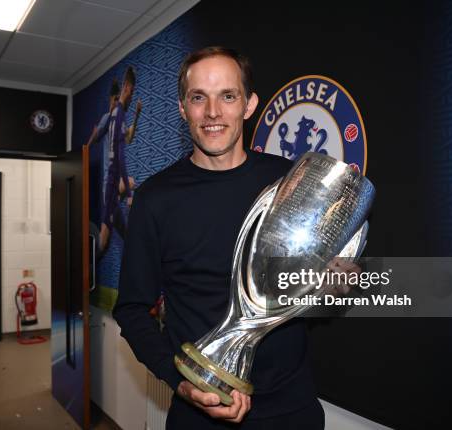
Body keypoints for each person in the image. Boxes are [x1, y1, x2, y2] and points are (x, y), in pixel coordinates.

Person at [113, 47, 358, 429]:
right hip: (199, 409)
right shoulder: (155, 199)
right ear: (183, 108)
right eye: (199, 98)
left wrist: (332, 285)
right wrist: (180, 383)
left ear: (249, 105)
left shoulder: (288, 182)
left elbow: (305, 294)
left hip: (291, 410)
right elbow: (131, 309)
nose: (213, 112)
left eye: (228, 96)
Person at [85, 68, 142, 252]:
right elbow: (96, 132)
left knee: (112, 235)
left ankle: (90, 259)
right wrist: (85, 149)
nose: (131, 97)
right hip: (110, 184)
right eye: (130, 91)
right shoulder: (109, 116)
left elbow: (129, 138)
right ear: (125, 89)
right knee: (132, 183)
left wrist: (137, 115)